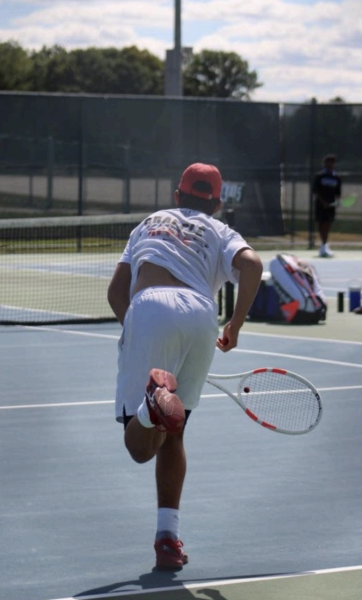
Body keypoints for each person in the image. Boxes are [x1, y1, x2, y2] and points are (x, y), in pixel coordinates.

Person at [107, 163, 263, 570]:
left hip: (149, 304)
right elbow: (254, 266)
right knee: (174, 435)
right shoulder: (220, 231)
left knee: (138, 447)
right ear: (217, 203)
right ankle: (167, 540)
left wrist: (139, 330)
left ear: (177, 196)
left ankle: (150, 406)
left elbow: (115, 291)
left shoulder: (150, 222)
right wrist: (235, 325)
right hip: (201, 314)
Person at [312, 154, 342, 258]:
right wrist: (323, 202)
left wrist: (336, 202)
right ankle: (324, 245)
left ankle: (324, 245)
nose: (330, 164)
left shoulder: (337, 177)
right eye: (328, 162)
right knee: (321, 225)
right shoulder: (319, 176)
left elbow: (338, 193)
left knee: (327, 225)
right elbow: (315, 191)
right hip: (320, 205)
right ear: (325, 163)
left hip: (330, 206)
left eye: (332, 162)